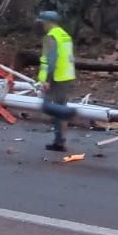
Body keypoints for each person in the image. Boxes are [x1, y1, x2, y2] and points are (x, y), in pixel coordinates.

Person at [36, 10, 76, 151]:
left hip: (56, 78)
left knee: (47, 106)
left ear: (47, 23)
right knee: (59, 108)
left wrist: (48, 80)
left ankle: (71, 113)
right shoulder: (65, 35)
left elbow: (52, 60)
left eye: (42, 23)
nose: (41, 26)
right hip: (66, 76)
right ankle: (59, 141)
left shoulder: (51, 37)